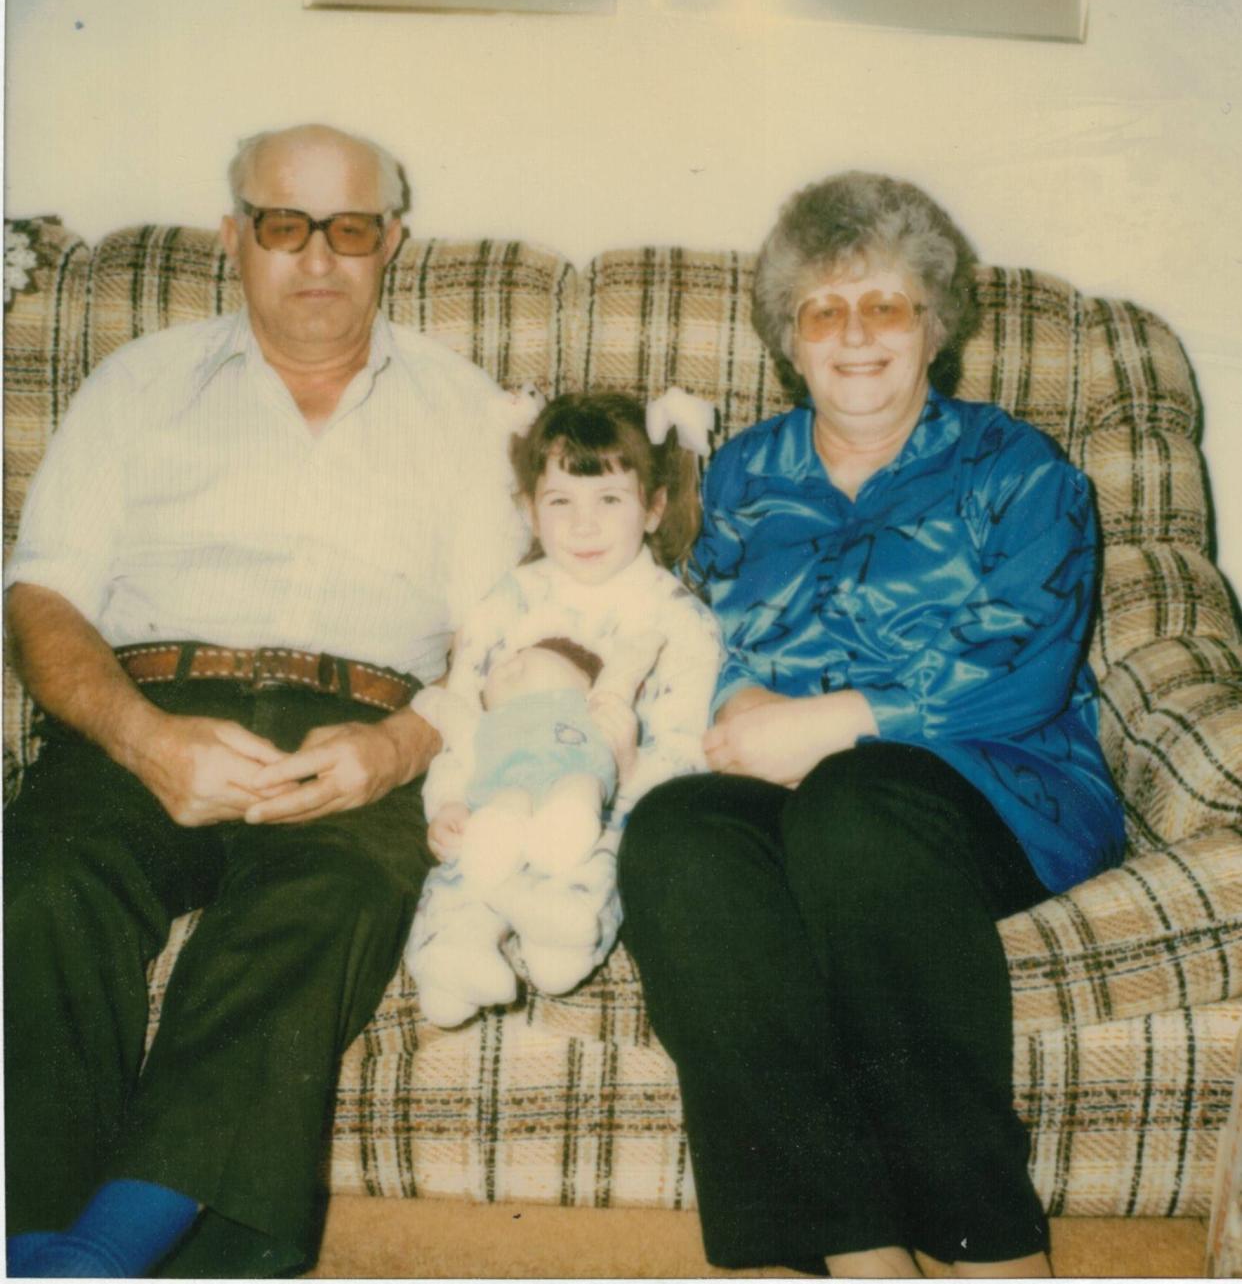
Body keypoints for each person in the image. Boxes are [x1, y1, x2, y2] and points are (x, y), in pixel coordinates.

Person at [3, 124, 527, 1277]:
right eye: (284, 225)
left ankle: (97, 1256)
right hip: (151, 710)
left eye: (349, 228)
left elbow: (507, 638)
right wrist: (141, 736)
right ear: (234, 233)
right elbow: (41, 595)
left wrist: (398, 747)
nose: (318, 258)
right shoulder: (138, 383)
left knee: (321, 905)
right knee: (37, 886)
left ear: (392, 239)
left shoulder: (467, 411)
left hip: (358, 738)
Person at [617, 172, 1126, 1279]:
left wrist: (836, 723)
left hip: (995, 780)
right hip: (779, 783)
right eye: (824, 310)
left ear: (933, 328)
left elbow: (1021, 669)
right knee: (676, 838)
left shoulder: (1020, 471)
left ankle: (988, 1244)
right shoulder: (741, 476)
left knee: (855, 807)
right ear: (789, 339)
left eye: (886, 305)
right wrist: (730, 700)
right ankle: (855, 1248)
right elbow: (676, 624)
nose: (856, 335)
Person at [407, 391, 723, 1028]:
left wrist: (630, 766)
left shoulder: (677, 619)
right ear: (529, 510)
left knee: (593, 857)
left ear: (654, 507)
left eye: (610, 500)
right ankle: (452, 958)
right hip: (498, 788)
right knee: (463, 864)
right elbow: (462, 714)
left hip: (601, 801)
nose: (584, 527)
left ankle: (562, 935)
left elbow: (686, 746)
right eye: (560, 503)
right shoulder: (507, 601)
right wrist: (447, 802)